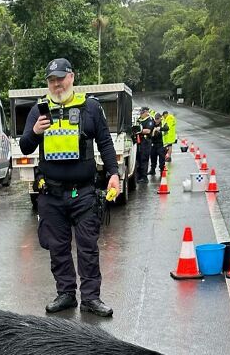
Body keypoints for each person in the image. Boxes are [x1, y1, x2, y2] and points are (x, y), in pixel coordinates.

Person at [19, 58, 119, 317]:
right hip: (50, 193)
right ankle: (65, 294)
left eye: (60, 79)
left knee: (88, 246)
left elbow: (106, 144)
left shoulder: (90, 107)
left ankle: (91, 298)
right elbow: (25, 147)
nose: (56, 84)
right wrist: (34, 132)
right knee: (57, 247)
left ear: (71, 77)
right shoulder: (39, 110)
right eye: (51, 80)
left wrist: (114, 174)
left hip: (83, 192)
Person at [134, 106, 154, 183]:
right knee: (138, 159)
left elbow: (148, 131)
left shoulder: (149, 120)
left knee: (144, 159)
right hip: (139, 141)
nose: (141, 114)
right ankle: (139, 176)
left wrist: (139, 130)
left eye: (142, 112)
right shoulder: (139, 120)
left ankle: (144, 177)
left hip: (145, 142)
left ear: (146, 112)